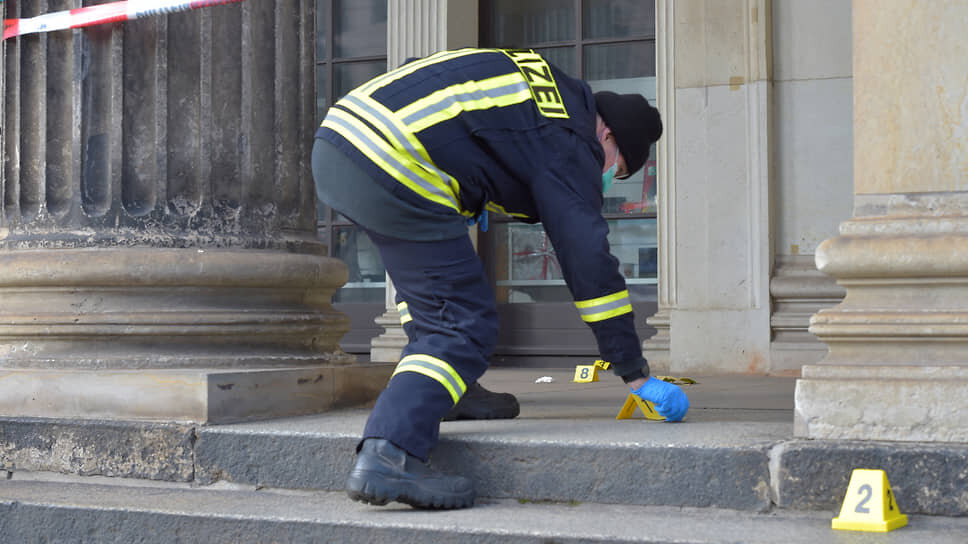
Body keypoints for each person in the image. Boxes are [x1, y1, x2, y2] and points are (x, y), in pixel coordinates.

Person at [312, 48, 689, 510]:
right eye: (617, 167)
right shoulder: (572, 138)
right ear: (607, 136)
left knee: (437, 295)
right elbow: (587, 258)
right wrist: (633, 371)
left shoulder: (544, 95)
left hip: (342, 142)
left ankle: (451, 392)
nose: (607, 177)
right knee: (461, 322)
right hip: (396, 158)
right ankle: (390, 453)